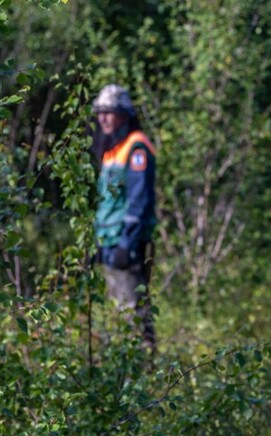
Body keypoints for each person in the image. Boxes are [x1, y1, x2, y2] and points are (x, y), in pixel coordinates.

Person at [90, 84, 157, 351]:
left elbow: (139, 202)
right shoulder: (110, 149)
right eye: (100, 112)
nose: (103, 118)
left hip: (126, 245)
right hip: (108, 243)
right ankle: (121, 379)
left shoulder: (136, 147)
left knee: (133, 313)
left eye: (110, 112)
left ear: (124, 114)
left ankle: (146, 373)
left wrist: (126, 245)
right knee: (116, 315)